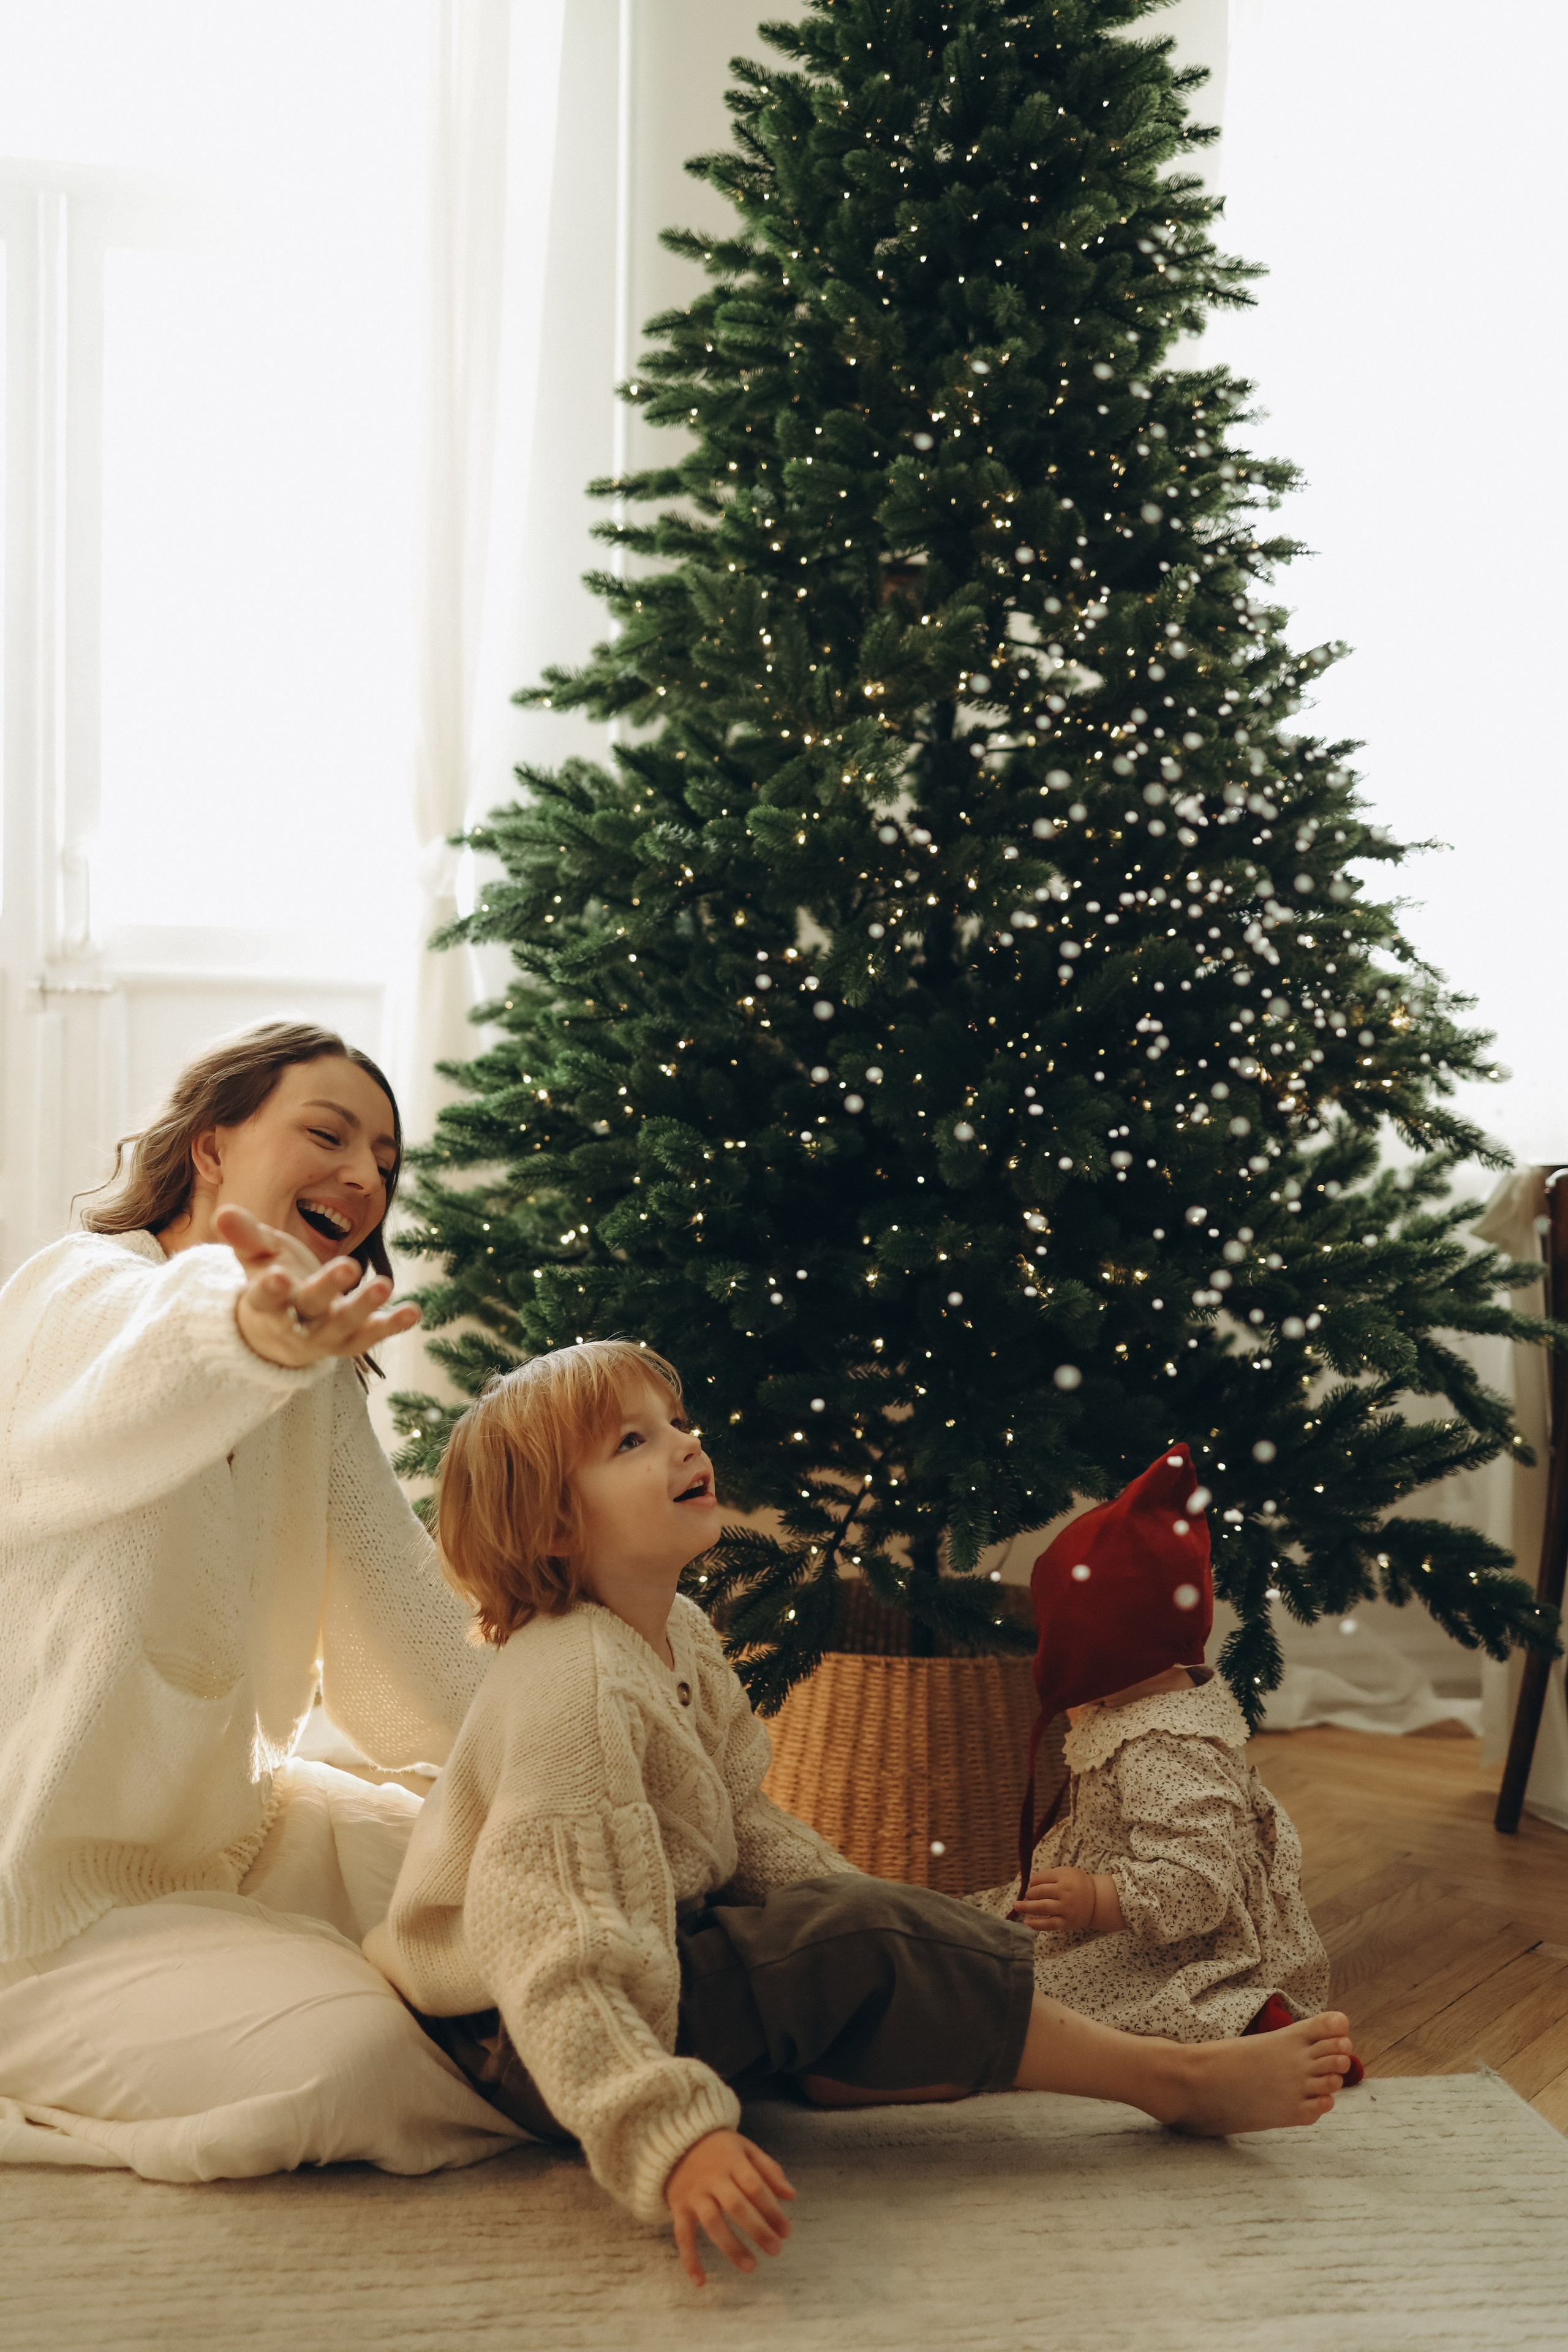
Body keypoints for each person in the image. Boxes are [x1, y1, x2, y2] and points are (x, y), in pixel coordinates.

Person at [364, 1343, 1357, 2290]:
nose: (685, 1444)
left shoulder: (678, 1636)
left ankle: (862, 2049)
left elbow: (737, 1825)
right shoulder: (570, 1688)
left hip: (646, 1956)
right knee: (864, 1943)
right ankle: (1174, 2083)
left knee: (875, 1928)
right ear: (553, 1528)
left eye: (677, 1421)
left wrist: (871, 1905)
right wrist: (668, 2135)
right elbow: (557, 1948)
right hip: (529, 2043)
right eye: (632, 1442)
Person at [0, 1022, 526, 2179]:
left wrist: (562, 1751)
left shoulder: (316, 1385)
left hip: (244, 1838)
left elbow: (403, 1631)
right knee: (353, 2054)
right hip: (40, 1911)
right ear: (213, 1147)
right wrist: (243, 1323)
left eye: (385, 1162)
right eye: (327, 1134)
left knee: (541, 1891)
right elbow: (150, 1361)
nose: (363, 1176)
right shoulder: (75, 1297)